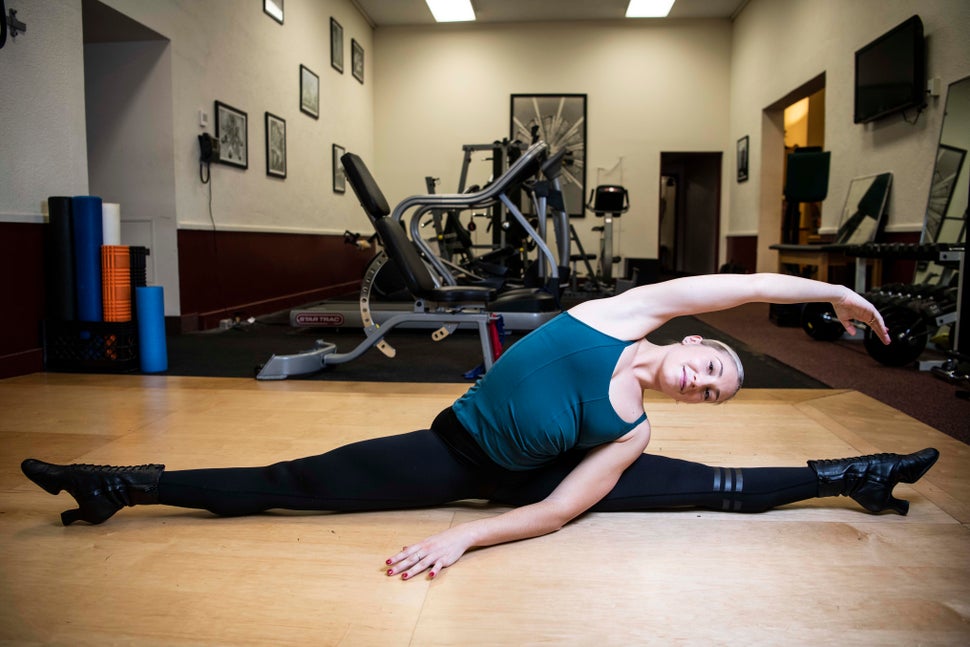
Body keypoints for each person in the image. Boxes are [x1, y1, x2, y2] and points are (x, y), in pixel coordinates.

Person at [21, 273, 939, 581]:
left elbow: (556, 511)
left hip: (522, 486)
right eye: (711, 366)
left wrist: (466, 536)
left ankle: (855, 474)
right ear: (693, 340)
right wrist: (835, 293)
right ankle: (125, 484)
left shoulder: (632, 433)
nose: (704, 382)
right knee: (291, 482)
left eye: (717, 393)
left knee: (719, 489)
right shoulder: (629, 311)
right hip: (446, 450)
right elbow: (750, 287)